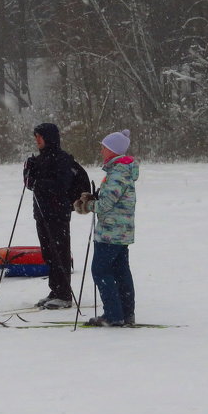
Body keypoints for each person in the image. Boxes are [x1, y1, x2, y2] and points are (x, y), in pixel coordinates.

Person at [75, 130, 138, 327]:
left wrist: (87, 205)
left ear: (112, 150)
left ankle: (113, 315)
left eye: (103, 147)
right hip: (119, 232)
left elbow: (106, 205)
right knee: (120, 272)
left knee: (100, 270)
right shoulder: (120, 171)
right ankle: (126, 314)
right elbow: (110, 200)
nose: (101, 151)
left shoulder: (118, 172)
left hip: (111, 233)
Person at [23, 122, 77, 309]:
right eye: (36, 137)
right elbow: (30, 185)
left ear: (49, 137)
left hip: (58, 213)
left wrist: (40, 183)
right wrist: (28, 172)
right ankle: (55, 290)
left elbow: (61, 185)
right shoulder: (40, 159)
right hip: (42, 213)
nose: (37, 140)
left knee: (59, 252)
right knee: (49, 254)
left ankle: (64, 294)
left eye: (40, 136)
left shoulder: (62, 159)